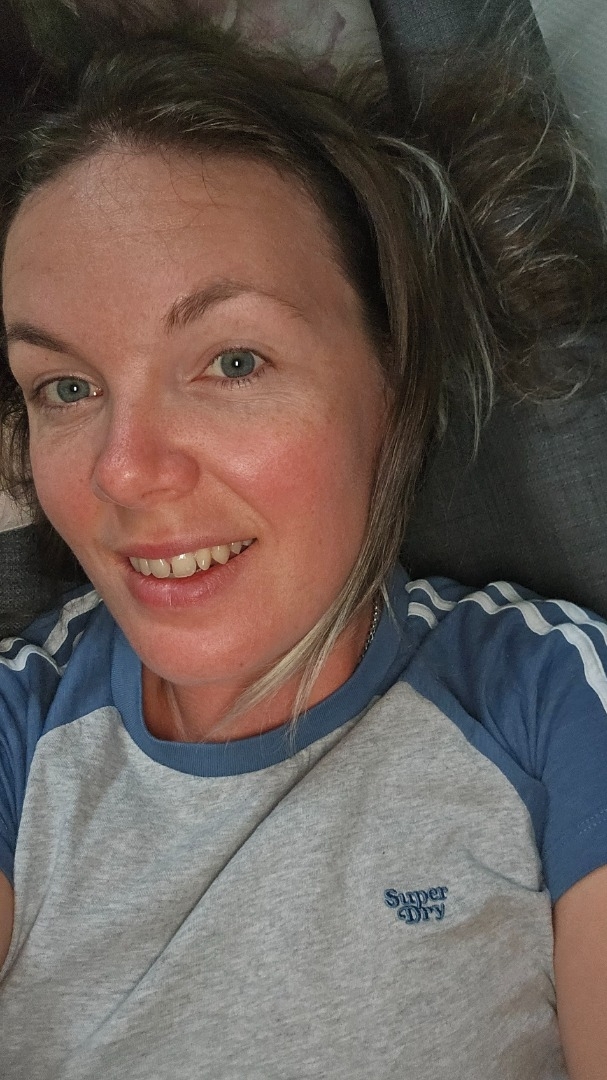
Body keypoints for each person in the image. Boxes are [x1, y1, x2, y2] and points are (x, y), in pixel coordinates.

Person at [1, 8, 607, 1078]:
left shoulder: (550, 699)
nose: (121, 471)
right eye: (66, 387)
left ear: (391, 380)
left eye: (233, 361)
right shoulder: (19, 734)